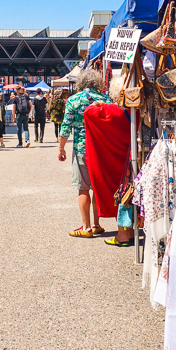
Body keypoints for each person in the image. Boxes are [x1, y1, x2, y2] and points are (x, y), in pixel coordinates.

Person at [57, 69, 111, 239]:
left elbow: (65, 127)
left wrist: (61, 148)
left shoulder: (73, 100)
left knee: (83, 189)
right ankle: (96, 224)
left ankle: (86, 227)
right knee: (96, 188)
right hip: (100, 150)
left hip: (81, 148)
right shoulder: (105, 100)